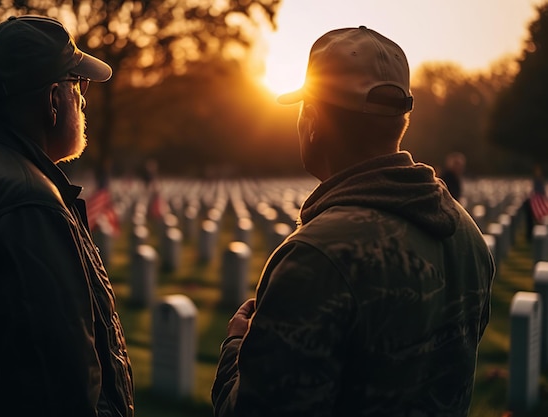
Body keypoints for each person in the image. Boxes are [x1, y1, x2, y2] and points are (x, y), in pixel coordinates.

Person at [211, 26, 495, 417]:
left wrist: (235, 350)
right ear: (401, 123)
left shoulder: (315, 257)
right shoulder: (467, 236)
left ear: (310, 120)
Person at [0, 16, 134, 416]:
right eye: (78, 83)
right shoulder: (29, 204)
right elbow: (60, 388)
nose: (85, 98)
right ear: (54, 99)